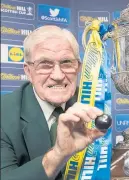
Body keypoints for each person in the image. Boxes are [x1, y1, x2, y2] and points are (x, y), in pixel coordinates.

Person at [1, 25, 107, 180]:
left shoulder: (93, 103)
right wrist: (59, 154)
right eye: (45, 64)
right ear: (29, 72)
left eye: (66, 62)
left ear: (78, 68)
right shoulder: (3, 113)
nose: (57, 75)